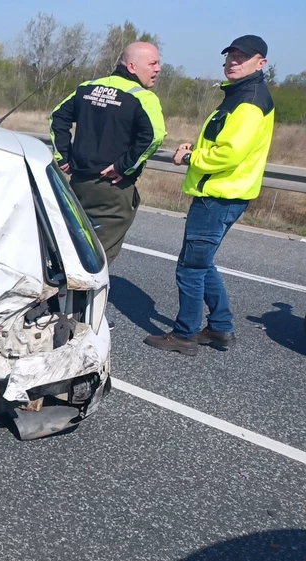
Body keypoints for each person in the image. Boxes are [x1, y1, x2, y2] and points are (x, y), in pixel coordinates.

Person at [144, 35, 274, 355]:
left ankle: (184, 334)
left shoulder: (250, 100)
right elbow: (222, 143)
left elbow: (229, 154)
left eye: (242, 57)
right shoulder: (239, 95)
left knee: (190, 268)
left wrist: (190, 158)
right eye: (231, 55)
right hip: (222, 193)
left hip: (218, 196)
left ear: (261, 63)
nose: (233, 61)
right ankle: (220, 328)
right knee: (203, 263)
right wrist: (196, 148)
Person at [50, 42, 167, 267]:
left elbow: (57, 117)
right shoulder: (143, 97)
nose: (158, 69)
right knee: (95, 261)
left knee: (70, 245)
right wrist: (124, 166)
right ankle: (77, 299)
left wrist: (63, 156)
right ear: (132, 67)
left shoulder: (87, 88)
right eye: (153, 63)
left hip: (78, 185)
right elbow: (154, 136)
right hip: (112, 190)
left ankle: (58, 292)